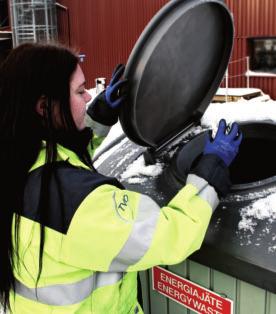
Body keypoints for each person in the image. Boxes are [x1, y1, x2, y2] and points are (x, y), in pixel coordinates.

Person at [0, 42, 242, 314]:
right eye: (81, 91)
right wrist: (210, 172)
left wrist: (98, 117)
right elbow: (169, 235)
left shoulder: (17, 159)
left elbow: (64, 156)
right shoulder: (77, 203)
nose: (90, 96)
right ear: (45, 107)